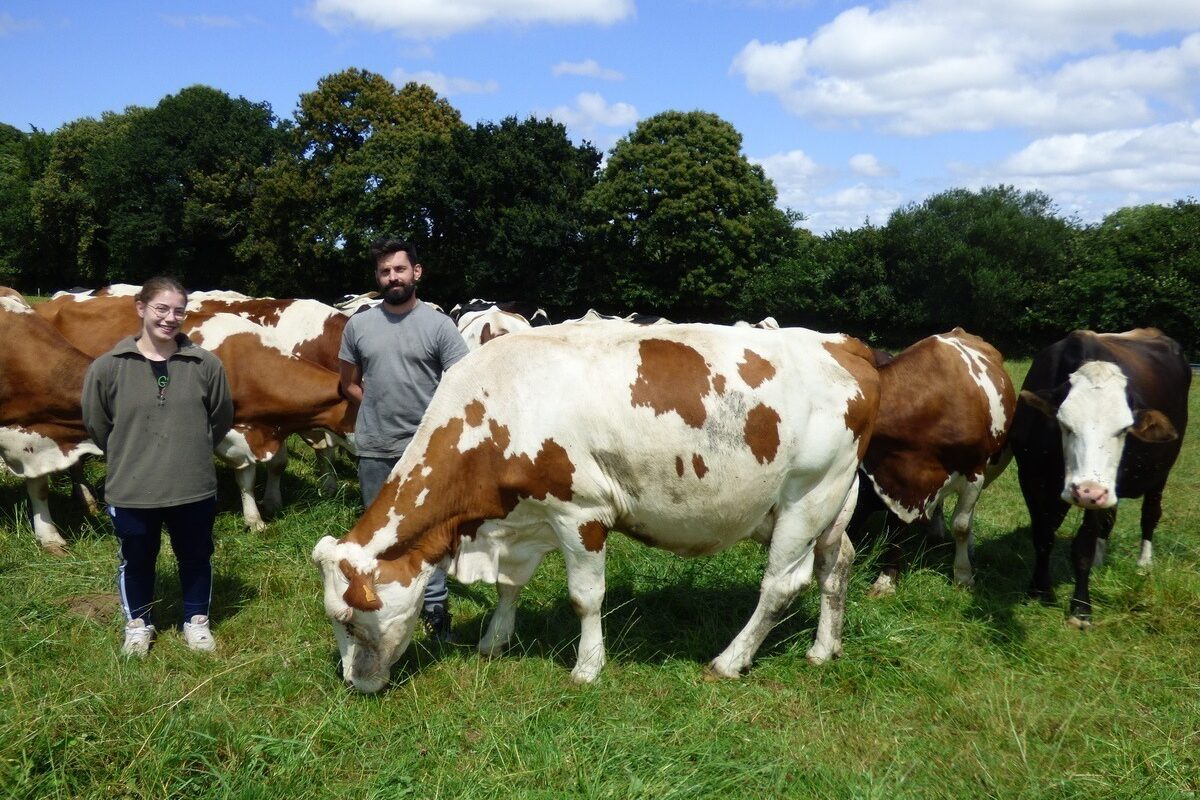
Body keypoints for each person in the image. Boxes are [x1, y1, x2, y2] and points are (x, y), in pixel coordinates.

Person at [82, 277, 234, 657]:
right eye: (161, 309)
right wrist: (130, 453)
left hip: (192, 485)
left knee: (197, 555)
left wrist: (191, 449)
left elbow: (220, 419)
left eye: (178, 310)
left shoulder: (205, 364)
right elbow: (97, 425)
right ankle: (138, 623)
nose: (170, 318)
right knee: (136, 559)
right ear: (141, 308)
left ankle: (196, 620)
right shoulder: (108, 367)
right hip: (132, 487)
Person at [339, 238, 469, 641]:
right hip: (375, 447)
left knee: (428, 533)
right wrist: (376, 407)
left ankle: (433, 608)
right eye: (384, 271)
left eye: (399, 269)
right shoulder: (358, 325)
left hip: (426, 452)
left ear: (416, 272)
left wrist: (433, 428)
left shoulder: (438, 325)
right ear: (377, 278)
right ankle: (380, 606)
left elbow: (462, 383)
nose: (392, 277)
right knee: (378, 534)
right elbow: (349, 384)